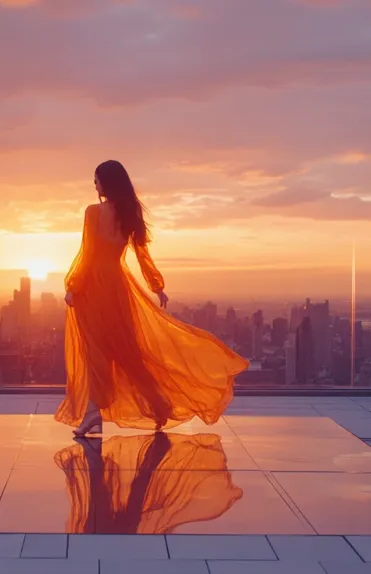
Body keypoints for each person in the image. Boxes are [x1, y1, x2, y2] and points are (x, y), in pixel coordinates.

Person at [55, 160, 250, 436]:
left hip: (94, 289)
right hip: (119, 289)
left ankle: (94, 414)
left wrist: (73, 286)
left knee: (96, 355)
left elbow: (86, 254)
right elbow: (142, 254)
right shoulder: (129, 213)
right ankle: (155, 404)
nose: (95, 185)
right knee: (128, 353)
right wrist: (156, 286)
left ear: (107, 183)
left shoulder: (93, 213)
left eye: (97, 180)